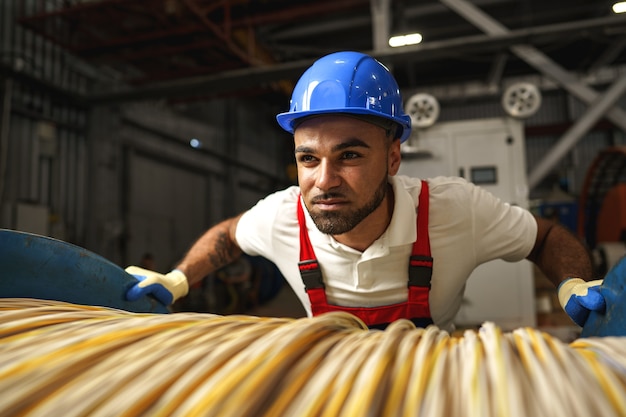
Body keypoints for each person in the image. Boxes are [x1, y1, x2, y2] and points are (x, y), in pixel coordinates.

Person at [125, 51, 605, 331]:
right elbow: (229, 236)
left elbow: (542, 238)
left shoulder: (454, 209)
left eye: (350, 156)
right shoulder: (283, 217)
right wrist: (178, 279)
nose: (324, 180)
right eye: (308, 158)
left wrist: (572, 282)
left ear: (393, 157)